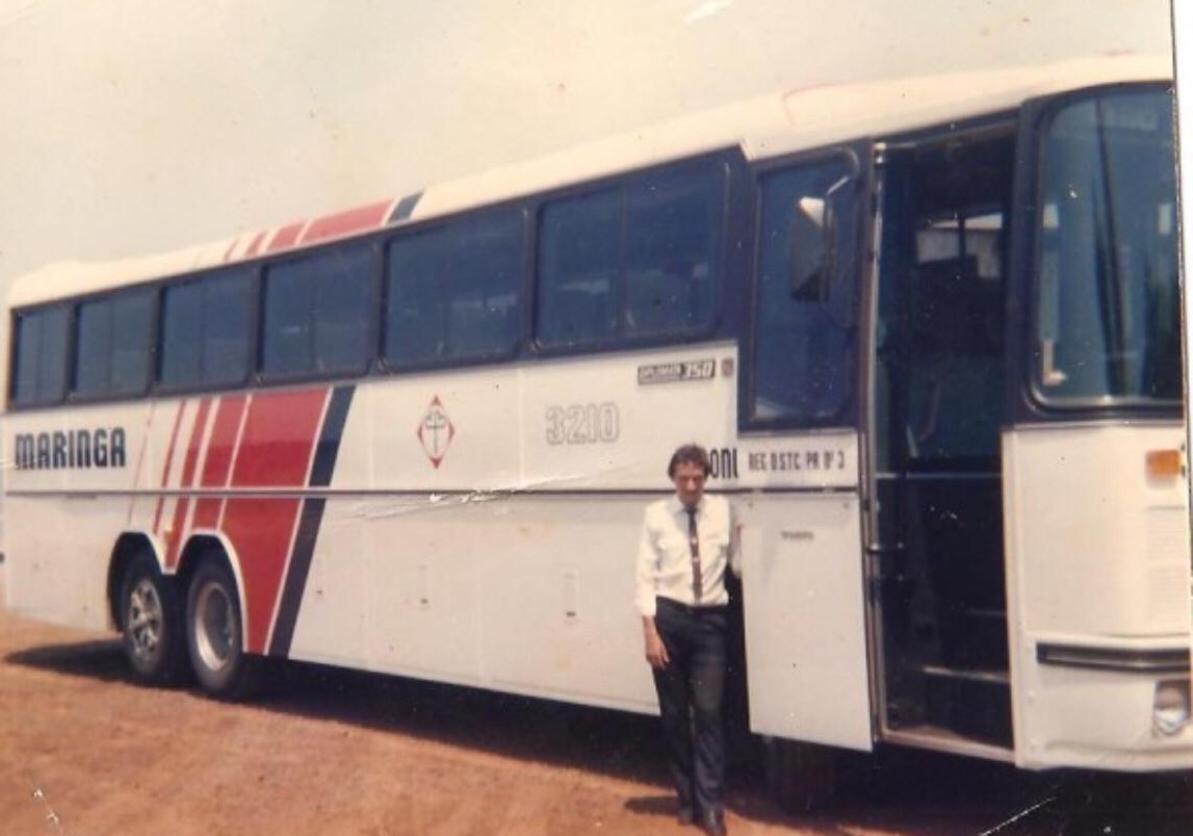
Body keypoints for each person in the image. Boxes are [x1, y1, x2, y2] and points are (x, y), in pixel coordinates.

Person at [635, 443, 739, 836]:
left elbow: (738, 563)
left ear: (706, 478)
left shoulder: (723, 512)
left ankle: (711, 806)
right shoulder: (656, 516)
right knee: (676, 715)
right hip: (669, 621)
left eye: (698, 478)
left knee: (709, 711)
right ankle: (686, 799)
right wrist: (650, 632)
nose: (691, 485)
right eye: (684, 479)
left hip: (710, 623)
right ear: (673, 480)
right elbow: (645, 575)